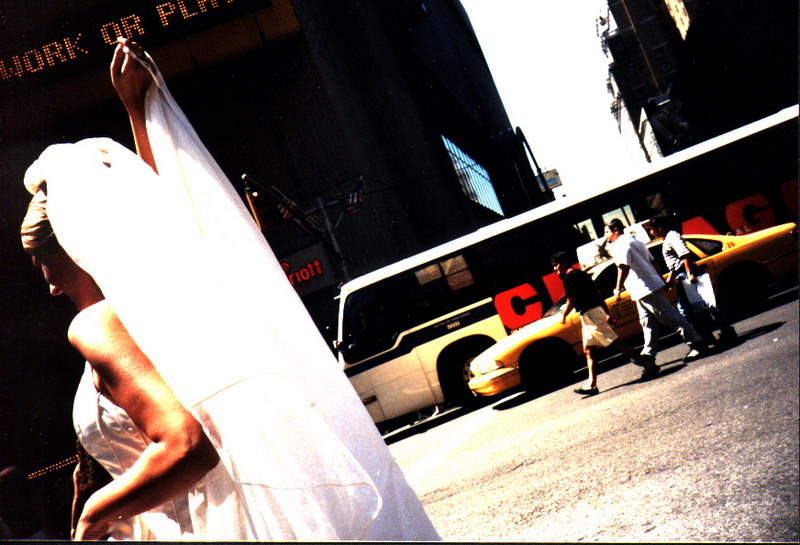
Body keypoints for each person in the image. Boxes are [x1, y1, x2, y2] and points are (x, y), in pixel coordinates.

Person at [20, 38, 440, 541]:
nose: (46, 285)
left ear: (77, 250)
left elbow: (185, 447)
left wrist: (95, 511)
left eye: (41, 263)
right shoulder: (167, 313)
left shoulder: (96, 324)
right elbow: (172, 215)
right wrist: (138, 110)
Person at [552, 252, 660, 396]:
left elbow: (571, 300)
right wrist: (607, 313)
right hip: (590, 314)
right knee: (588, 350)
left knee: (615, 343)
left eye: (556, 265)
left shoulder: (570, 277)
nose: (555, 269)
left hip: (591, 315)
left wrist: (564, 316)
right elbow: (598, 294)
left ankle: (648, 364)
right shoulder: (580, 274)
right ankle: (591, 384)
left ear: (564, 263)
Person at [606, 219, 709, 365]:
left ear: (616, 230)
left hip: (645, 288)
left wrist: (617, 287)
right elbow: (652, 262)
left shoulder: (621, 244)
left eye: (607, 232)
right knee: (647, 322)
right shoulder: (635, 241)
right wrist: (661, 280)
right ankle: (648, 355)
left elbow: (623, 266)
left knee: (670, 317)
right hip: (646, 287)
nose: (606, 236)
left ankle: (697, 343)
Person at [645, 216, 738, 348]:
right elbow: (674, 264)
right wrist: (670, 281)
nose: (651, 233)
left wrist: (689, 273)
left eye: (652, 230)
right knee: (696, 308)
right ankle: (711, 335)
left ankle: (723, 333)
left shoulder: (672, 236)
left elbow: (684, 254)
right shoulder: (667, 239)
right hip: (681, 275)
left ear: (660, 228)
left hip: (686, 274)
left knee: (703, 305)